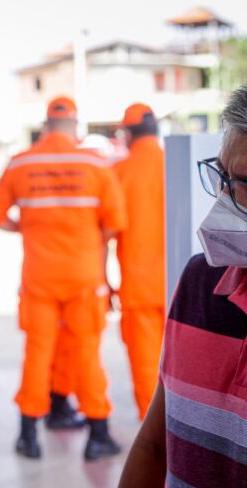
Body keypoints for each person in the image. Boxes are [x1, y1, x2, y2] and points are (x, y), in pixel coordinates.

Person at [113, 84, 247, 488]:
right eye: (220, 177)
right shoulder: (199, 278)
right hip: (164, 293)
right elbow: (158, 443)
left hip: (127, 286)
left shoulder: (116, 169)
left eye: (241, 183)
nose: (223, 202)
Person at [0, 96, 127, 460]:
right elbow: (114, 224)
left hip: (39, 276)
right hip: (83, 277)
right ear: (75, 126)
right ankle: (98, 435)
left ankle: (28, 435)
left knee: (36, 353)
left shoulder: (22, 162)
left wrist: (25, 228)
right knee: (87, 354)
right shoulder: (93, 162)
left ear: (46, 126)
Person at [114, 103, 166, 420]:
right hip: (179, 283)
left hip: (138, 287)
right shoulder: (178, 164)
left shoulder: (119, 172)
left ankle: (154, 432)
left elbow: (103, 231)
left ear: (129, 134)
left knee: (146, 365)